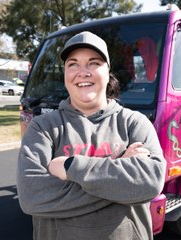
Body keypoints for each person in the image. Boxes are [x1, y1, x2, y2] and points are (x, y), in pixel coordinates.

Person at [17, 31, 167, 240]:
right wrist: (121, 174)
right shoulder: (42, 128)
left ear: (107, 71)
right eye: (73, 64)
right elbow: (32, 197)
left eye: (93, 63)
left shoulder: (134, 123)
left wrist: (70, 167)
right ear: (65, 74)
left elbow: (150, 182)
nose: (82, 72)